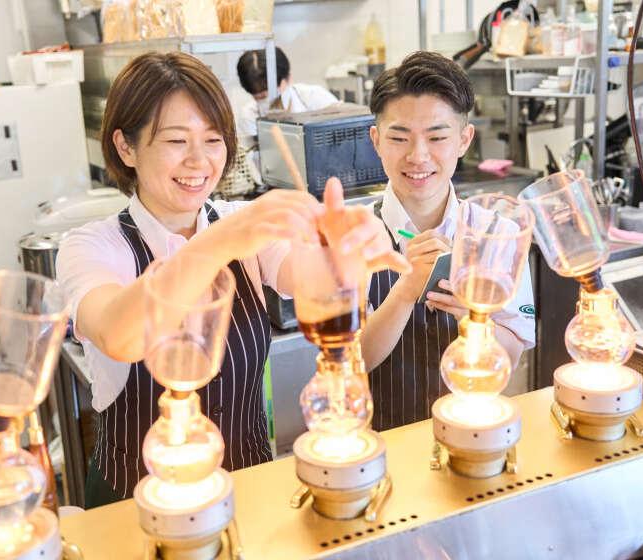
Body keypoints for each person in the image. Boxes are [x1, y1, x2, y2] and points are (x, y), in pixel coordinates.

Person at [56, 51, 406, 506]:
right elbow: (121, 335)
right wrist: (222, 240)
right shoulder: (92, 246)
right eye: (177, 141)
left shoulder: (243, 225)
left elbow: (313, 285)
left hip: (250, 493)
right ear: (126, 147)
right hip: (137, 505)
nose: (200, 161)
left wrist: (344, 253)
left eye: (214, 139)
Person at [360, 51, 536, 431]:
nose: (418, 156)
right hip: (379, 447)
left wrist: (475, 316)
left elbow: (511, 355)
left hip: (476, 433)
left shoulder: (498, 233)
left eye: (437, 137)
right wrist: (405, 291)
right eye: (399, 137)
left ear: (464, 139)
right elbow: (349, 361)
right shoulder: (350, 237)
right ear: (376, 140)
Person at [233, 46, 339, 139]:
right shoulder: (249, 117)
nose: (267, 101)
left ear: (288, 79)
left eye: (266, 94)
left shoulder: (315, 97)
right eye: (258, 97)